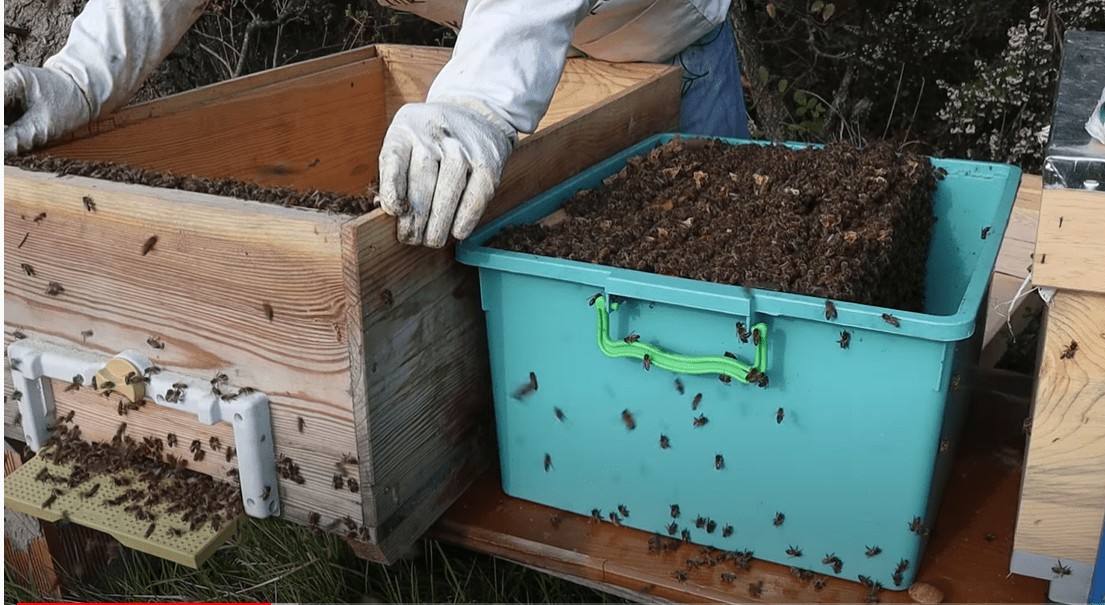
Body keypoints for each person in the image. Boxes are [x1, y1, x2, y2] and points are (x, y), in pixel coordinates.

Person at [4, 0, 749, 248]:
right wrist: (80, 77)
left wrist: (480, 102)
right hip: (505, 54)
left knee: (718, 283)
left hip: (660, 47)